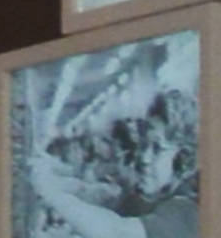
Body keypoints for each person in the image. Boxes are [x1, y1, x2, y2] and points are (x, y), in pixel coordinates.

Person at [29, 91, 198, 238]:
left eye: (157, 149)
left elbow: (118, 233)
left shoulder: (188, 212)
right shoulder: (149, 198)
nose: (144, 158)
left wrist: (52, 193)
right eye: (144, 145)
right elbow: (94, 196)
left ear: (183, 157)